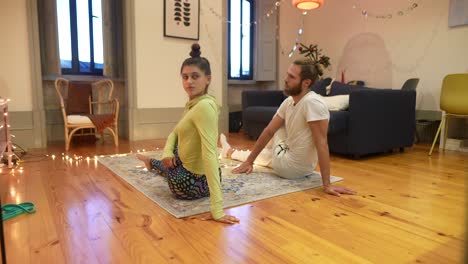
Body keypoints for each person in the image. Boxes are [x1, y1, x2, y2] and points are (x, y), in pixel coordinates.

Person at [220, 59, 356, 196]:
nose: (285, 79)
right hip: (302, 168)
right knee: (269, 151)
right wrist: (249, 161)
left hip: (290, 168)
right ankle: (231, 152)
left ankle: (233, 153)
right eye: (287, 74)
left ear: (306, 83)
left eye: (291, 77)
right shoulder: (290, 101)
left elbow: (322, 143)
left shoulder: (312, 103)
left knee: (277, 128)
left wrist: (327, 185)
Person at [137, 44, 239, 224]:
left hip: (188, 186)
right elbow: (174, 132)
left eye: (195, 76)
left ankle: (153, 163)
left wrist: (217, 210)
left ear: (208, 79)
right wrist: (167, 152)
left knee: (173, 162)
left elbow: (210, 155)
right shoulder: (193, 104)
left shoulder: (204, 107)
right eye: (185, 77)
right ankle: (154, 163)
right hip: (199, 180)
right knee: (176, 147)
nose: (189, 82)